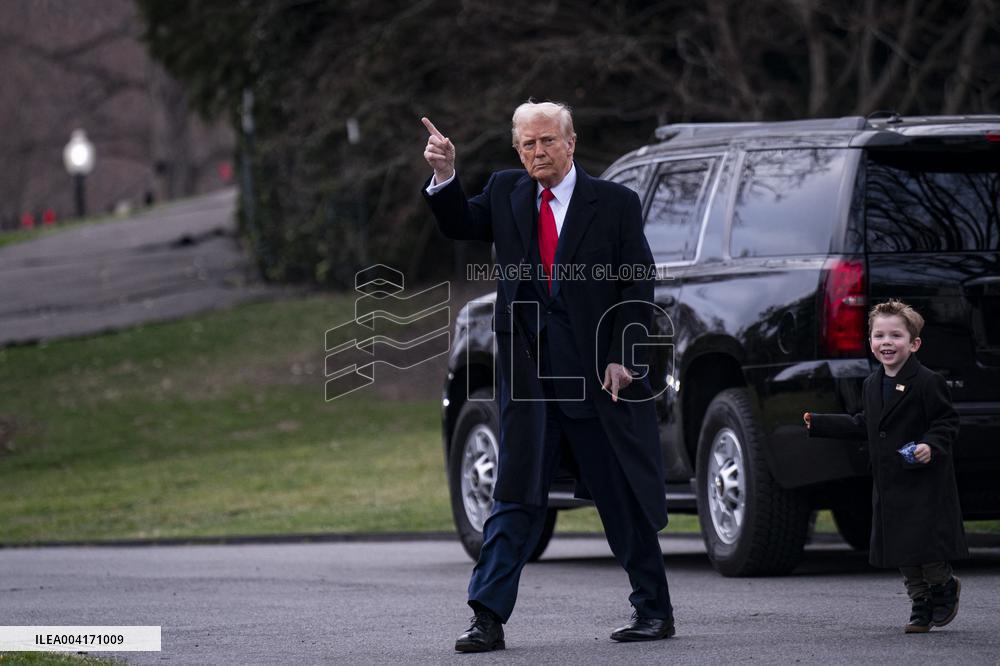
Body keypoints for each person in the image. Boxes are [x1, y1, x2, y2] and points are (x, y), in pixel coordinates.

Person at [421, 101, 675, 652]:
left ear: (571, 142)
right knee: (514, 496)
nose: (539, 152)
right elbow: (461, 223)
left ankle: (654, 610)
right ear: (518, 151)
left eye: (548, 141)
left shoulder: (615, 203)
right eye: (529, 144)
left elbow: (638, 286)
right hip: (529, 382)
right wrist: (445, 175)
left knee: (619, 496)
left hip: (595, 381)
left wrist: (622, 357)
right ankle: (486, 618)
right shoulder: (506, 192)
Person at [804, 299, 966, 634]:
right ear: (870, 342)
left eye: (895, 336)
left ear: (914, 344)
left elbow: (946, 421)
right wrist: (819, 423)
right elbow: (865, 423)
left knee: (925, 545)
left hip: (923, 480)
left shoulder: (927, 381)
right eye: (879, 336)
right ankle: (920, 602)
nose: (886, 342)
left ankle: (943, 584)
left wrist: (930, 445)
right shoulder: (871, 384)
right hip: (890, 481)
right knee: (900, 547)